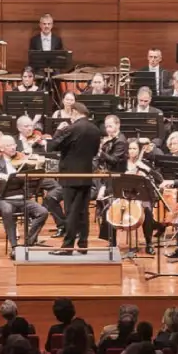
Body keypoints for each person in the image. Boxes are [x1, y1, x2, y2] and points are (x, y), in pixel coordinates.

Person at [50, 102, 102, 254]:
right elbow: (94, 152)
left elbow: (52, 146)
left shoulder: (72, 128)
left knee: (71, 211)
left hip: (70, 175)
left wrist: (59, 130)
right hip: (86, 174)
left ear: (75, 112)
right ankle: (83, 244)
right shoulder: (95, 129)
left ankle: (67, 247)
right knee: (83, 211)